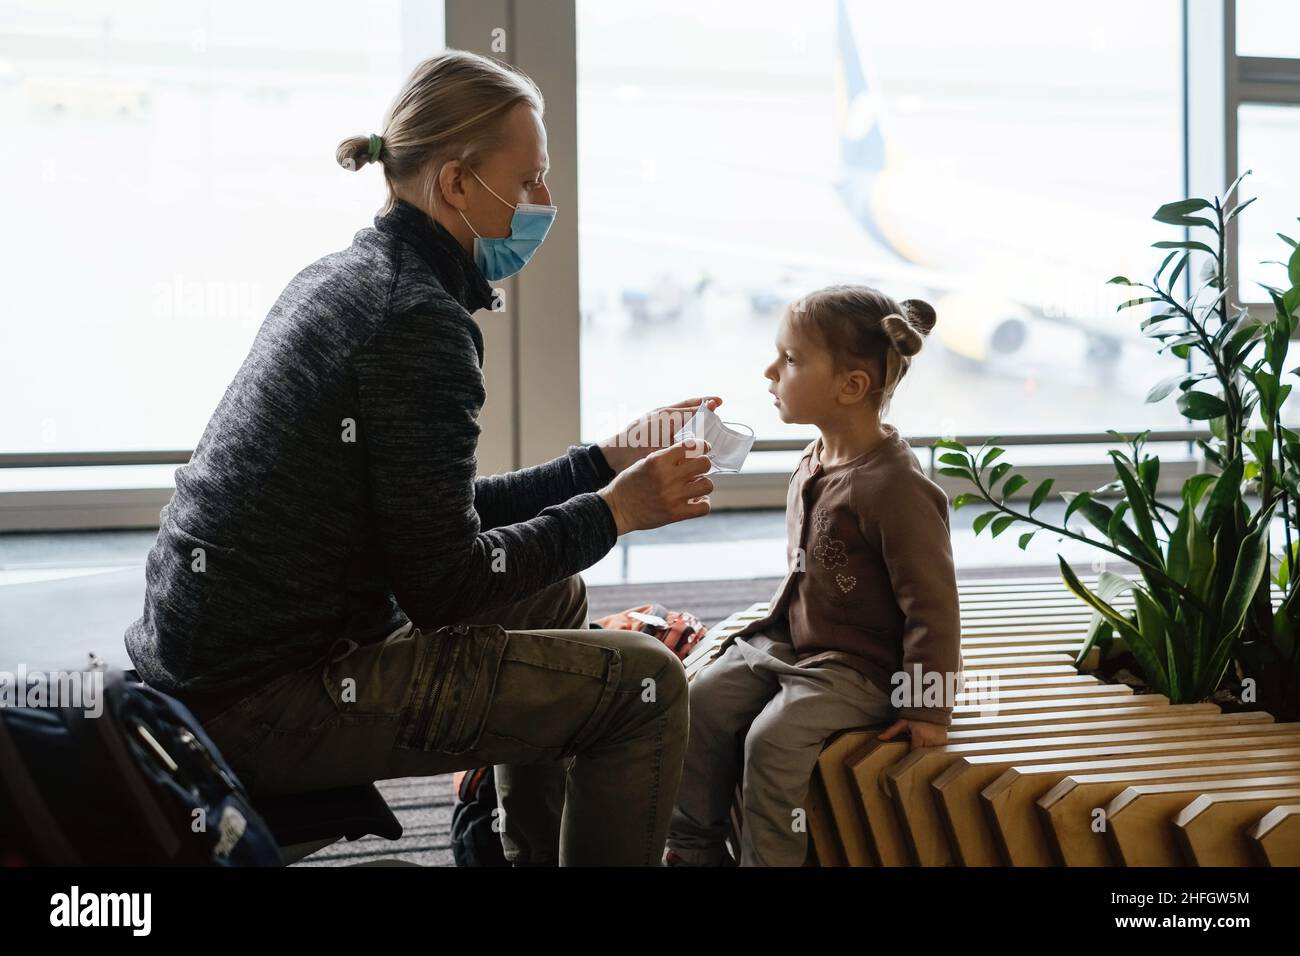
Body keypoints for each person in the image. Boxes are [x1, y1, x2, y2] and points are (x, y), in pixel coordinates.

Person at [123, 49, 718, 866]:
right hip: (260, 702)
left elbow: (435, 517)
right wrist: (619, 509)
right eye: (532, 179)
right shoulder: (417, 323)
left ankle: (520, 853)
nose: (547, 202)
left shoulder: (347, 277)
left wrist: (599, 462)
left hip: (205, 665)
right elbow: (447, 587)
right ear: (457, 185)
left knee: (552, 590)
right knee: (647, 687)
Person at [664, 285, 962, 866]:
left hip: (866, 666)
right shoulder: (816, 456)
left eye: (792, 359)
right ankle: (693, 848)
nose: (770, 370)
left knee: (772, 741)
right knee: (699, 702)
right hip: (800, 639)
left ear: (851, 387)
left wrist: (928, 707)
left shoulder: (896, 489)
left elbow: (934, 606)